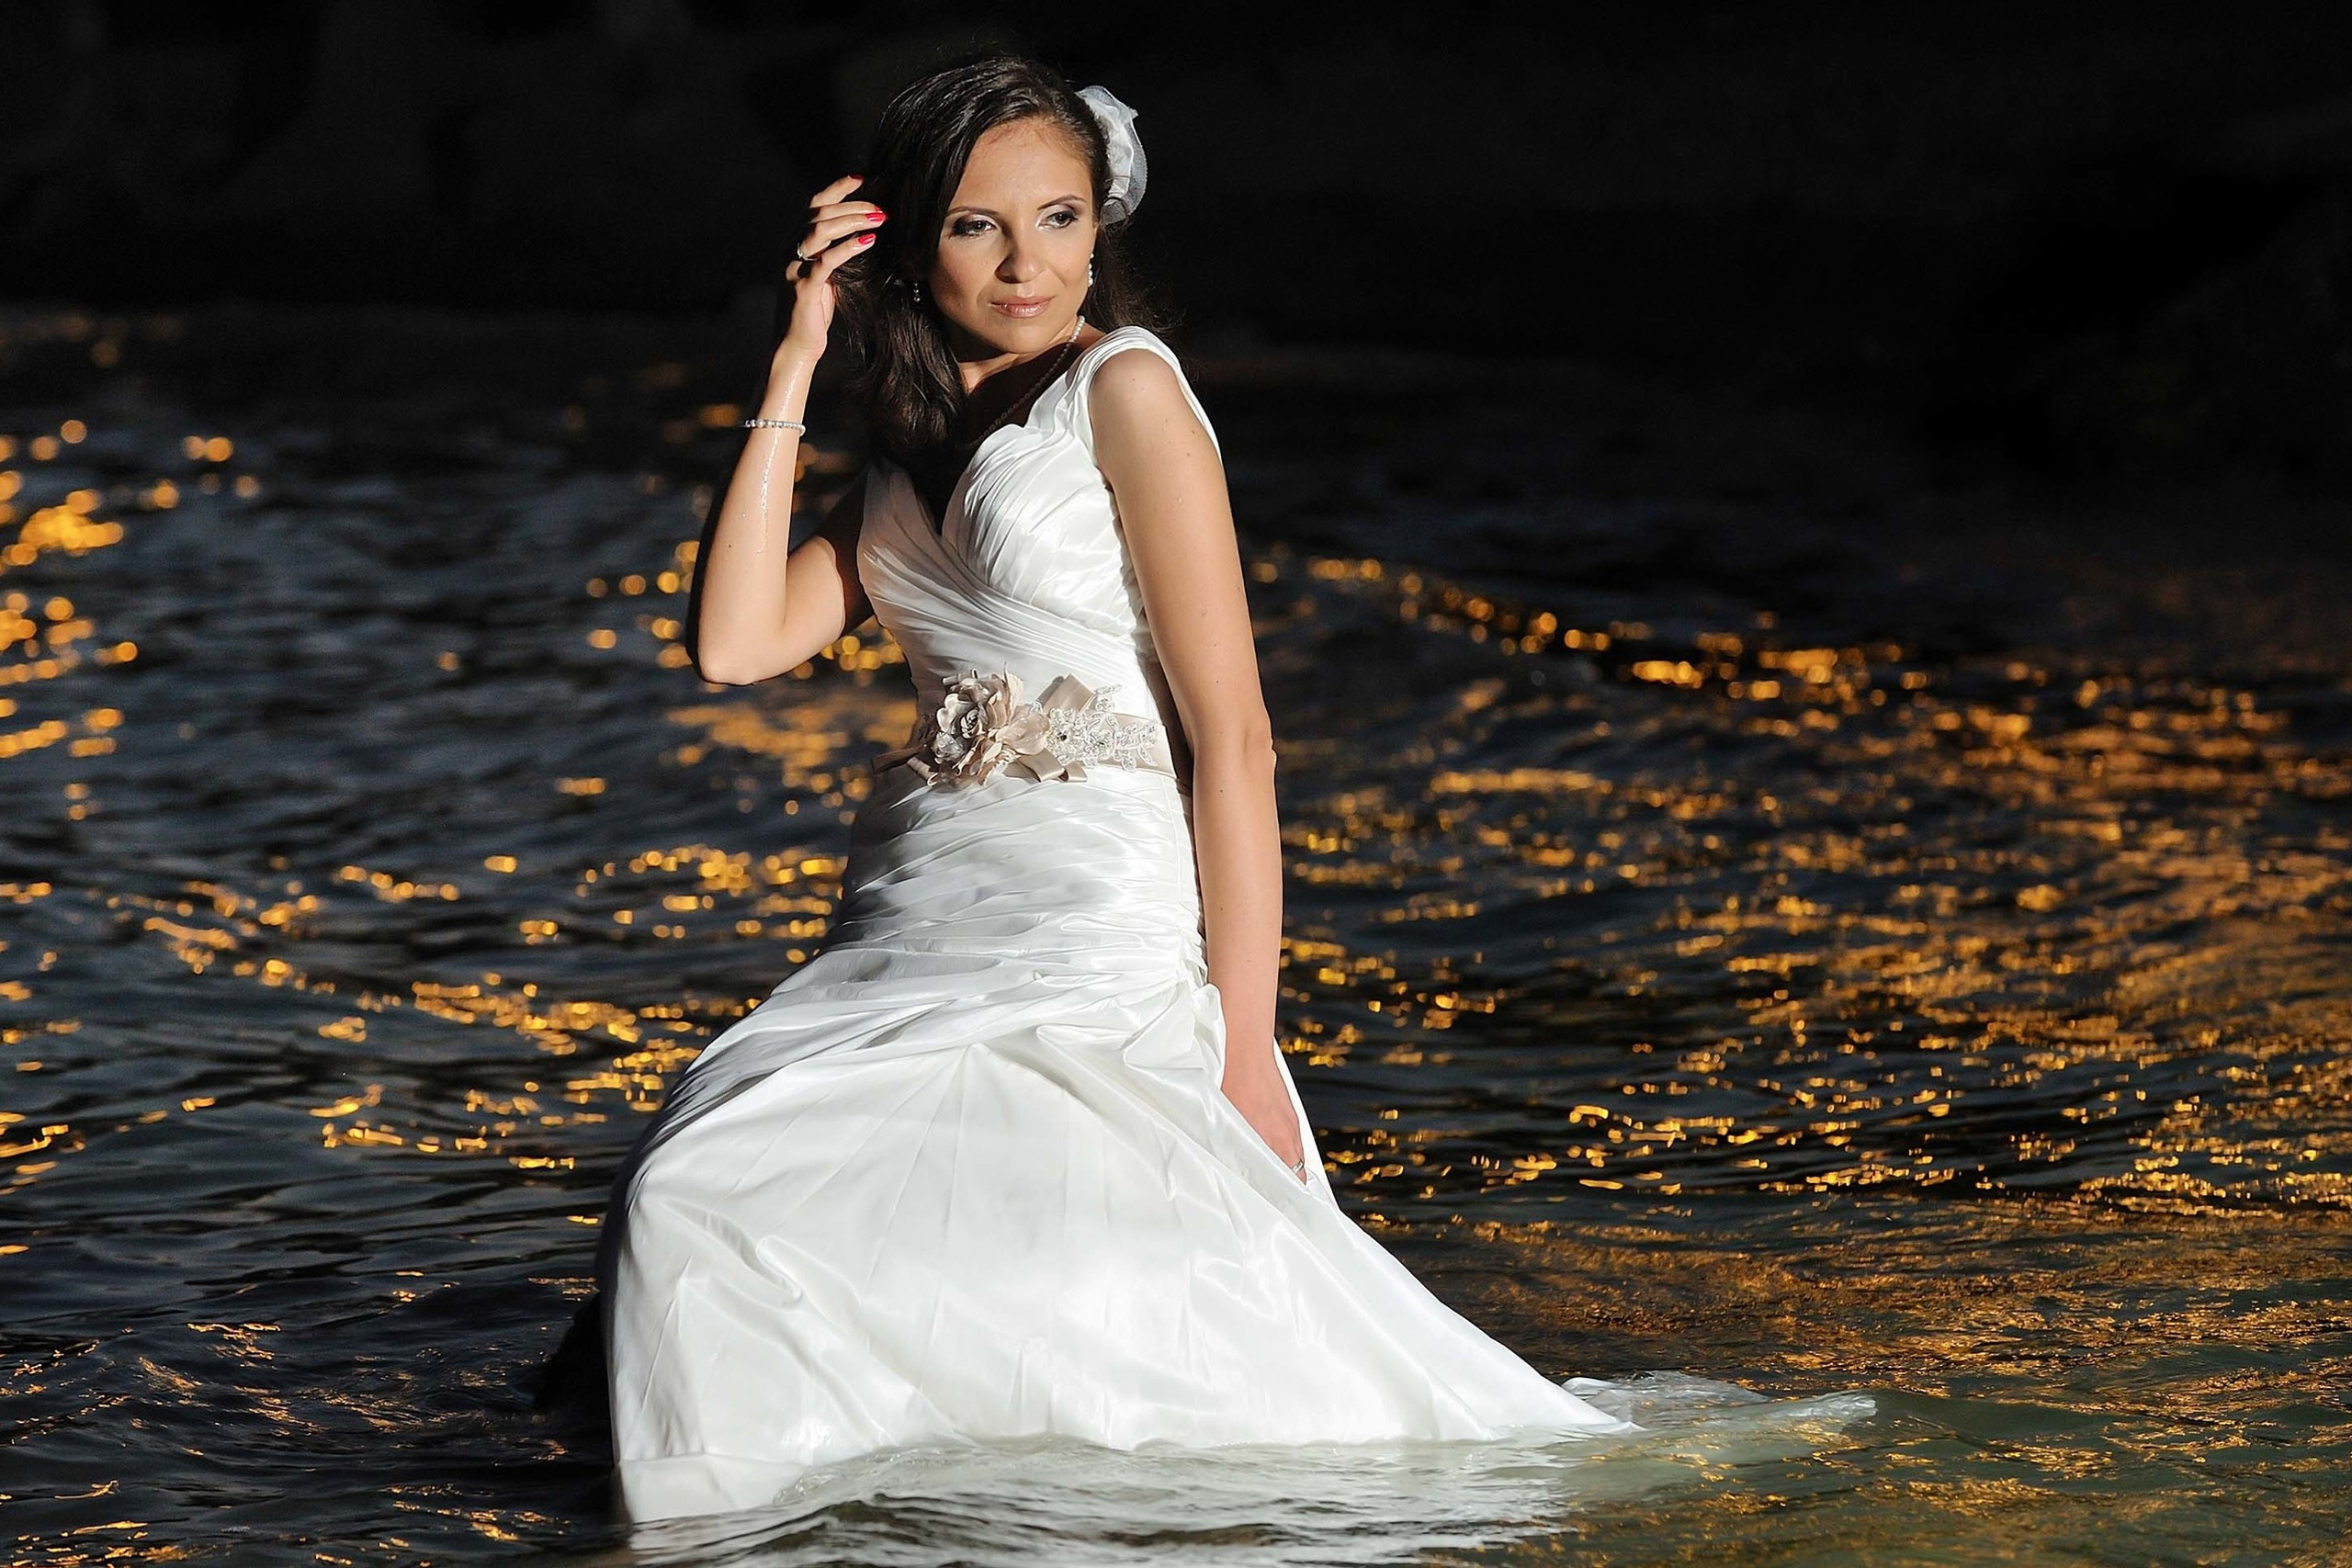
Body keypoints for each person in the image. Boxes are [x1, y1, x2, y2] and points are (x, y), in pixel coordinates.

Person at [591, 51, 1634, 1525]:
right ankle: (811, 1517)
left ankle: (978, 1512)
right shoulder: (899, 442)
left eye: (1064, 219)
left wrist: (1247, 1042)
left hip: (1095, 905)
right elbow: (733, 644)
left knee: (787, 1209)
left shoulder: (1125, 391)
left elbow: (1238, 734)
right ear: (901, 236)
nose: (1031, 264)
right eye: (978, 226)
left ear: (1103, 223)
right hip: (915, 908)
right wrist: (794, 358)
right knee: (711, 1194)